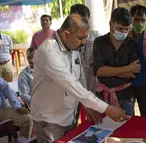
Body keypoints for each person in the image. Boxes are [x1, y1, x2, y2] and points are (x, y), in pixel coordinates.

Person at [31, 14, 130, 143]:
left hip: (69, 116)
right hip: (50, 121)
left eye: (85, 38)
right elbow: (71, 84)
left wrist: (87, 105)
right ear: (66, 34)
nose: (84, 43)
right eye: (80, 38)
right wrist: (106, 108)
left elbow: (80, 77)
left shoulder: (72, 46)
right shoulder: (48, 51)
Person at [93, 7, 140, 116]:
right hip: (103, 98)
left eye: (127, 29)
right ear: (111, 24)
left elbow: (134, 73)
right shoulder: (99, 42)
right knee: (104, 129)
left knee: (126, 129)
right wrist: (128, 68)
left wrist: (108, 70)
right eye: (120, 28)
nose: (124, 32)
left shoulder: (133, 44)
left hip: (126, 96)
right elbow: (99, 71)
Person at [70, 4, 103, 124]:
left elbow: (103, 58)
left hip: (92, 80)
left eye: (84, 19)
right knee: (73, 116)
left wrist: (97, 64)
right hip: (73, 82)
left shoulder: (96, 36)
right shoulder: (67, 39)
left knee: (94, 114)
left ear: (88, 18)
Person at [129, 5, 146, 117]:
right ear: (131, 20)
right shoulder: (125, 38)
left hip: (145, 84)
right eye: (136, 20)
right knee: (127, 116)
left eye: (142, 20)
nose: (139, 23)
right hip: (126, 84)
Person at [70, 4, 101, 94]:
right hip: (73, 84)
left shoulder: (96, 37)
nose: (82, 25)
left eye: (85, 21)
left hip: (92, 83)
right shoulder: (66, 38)